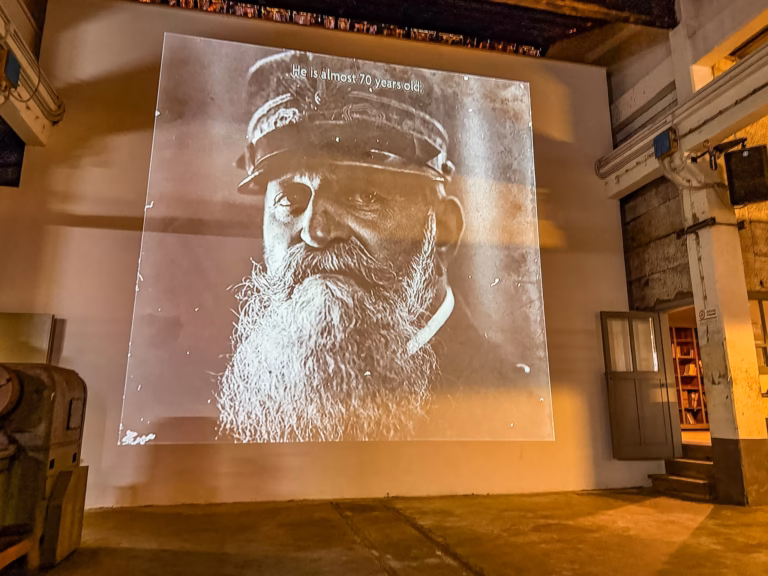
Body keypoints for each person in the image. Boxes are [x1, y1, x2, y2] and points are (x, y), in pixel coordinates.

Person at [217, 51, 543, 442]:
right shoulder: (267, 398)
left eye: (363, 197)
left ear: (443, 230)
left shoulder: (514, 412)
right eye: (291, 199)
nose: (315, 232)